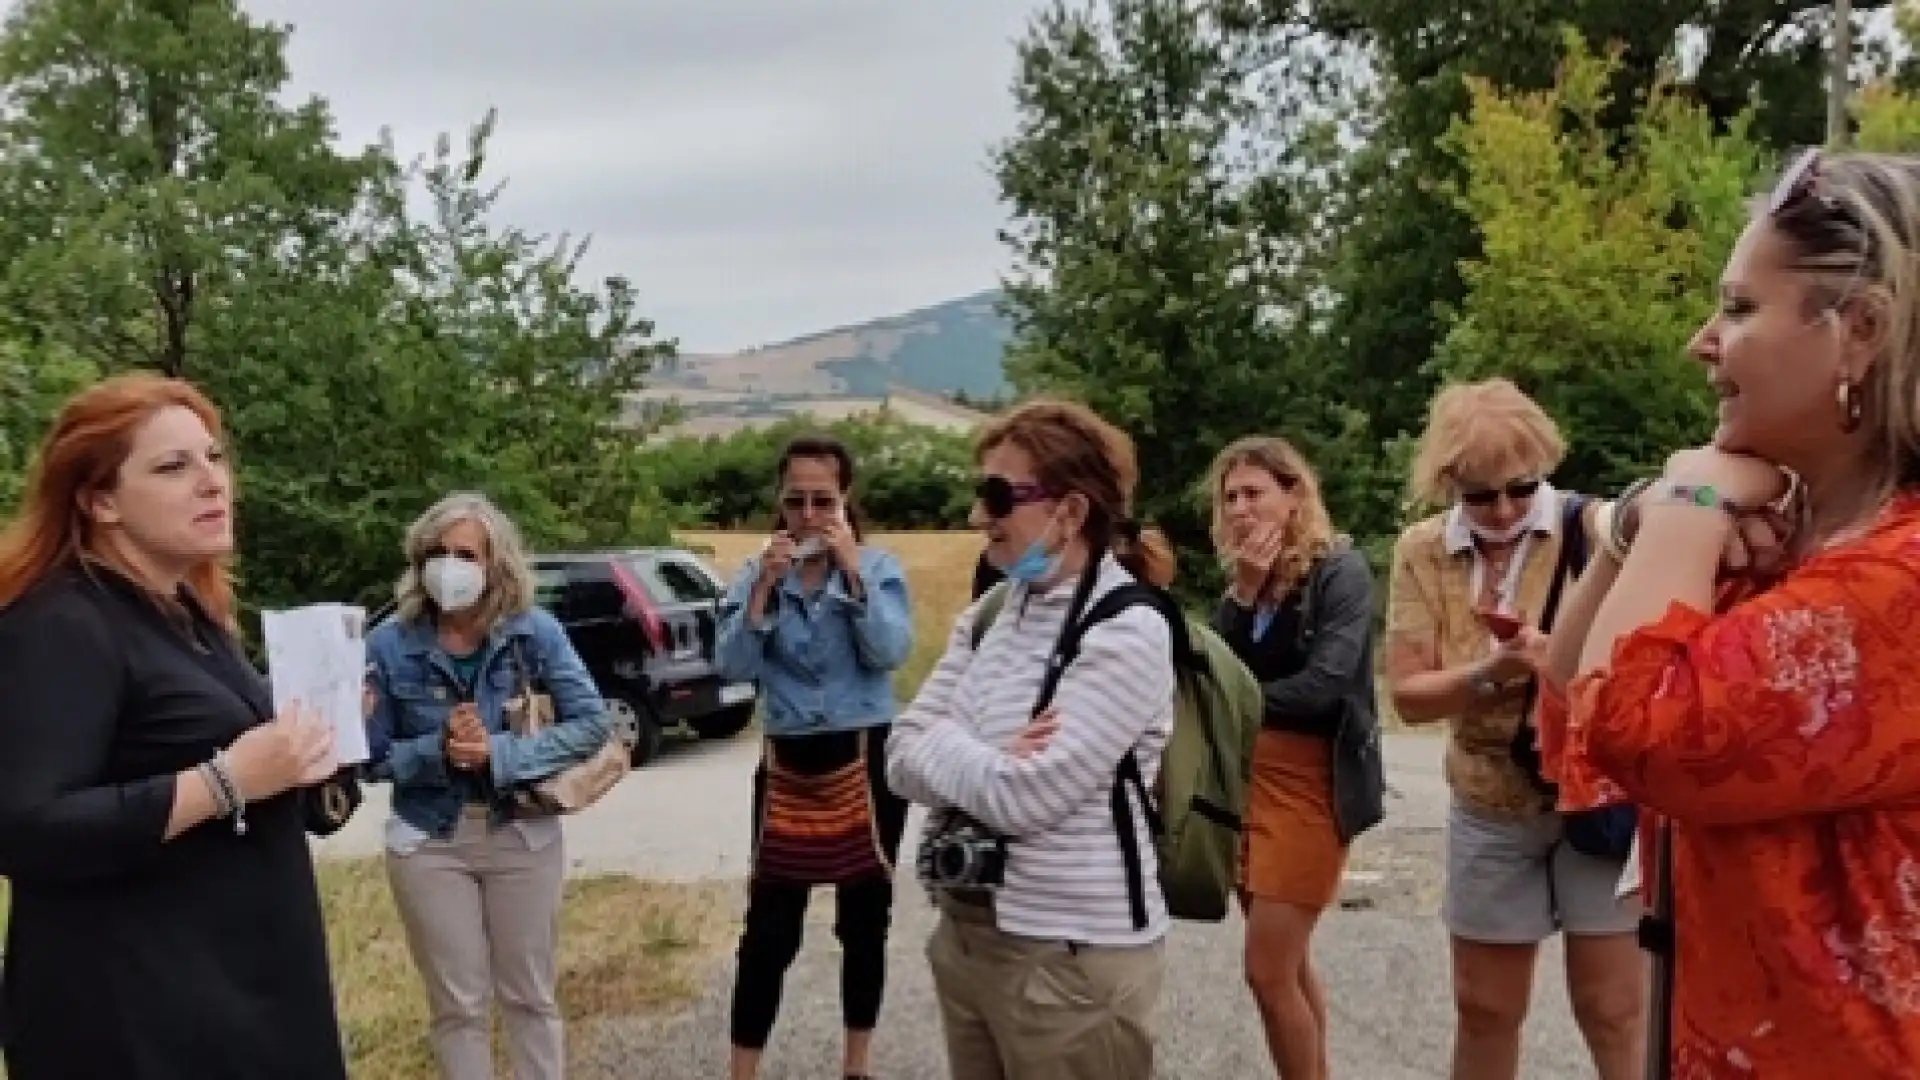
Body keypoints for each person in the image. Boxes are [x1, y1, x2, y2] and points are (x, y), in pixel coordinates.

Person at [1540, 149, 1920, 1077]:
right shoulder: (1794, 542)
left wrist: (1688, 503)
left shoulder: (1894, 584)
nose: (1702, 341)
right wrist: (1644, 521)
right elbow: (1566, 686)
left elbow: (1638, 730)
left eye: (1741, 308)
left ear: (1859, 331)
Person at [0, 373, 356, 1079]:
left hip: (243, 998)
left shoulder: (191, 613)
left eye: (215, 458)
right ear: (99, 500)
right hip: (137, 1018)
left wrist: (318, 751)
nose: (212, 481)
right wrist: (223, 782)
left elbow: (265, 790)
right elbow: (26, 826)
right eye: (173, 466)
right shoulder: (61, 623)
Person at [886, 398, 1177, 1080]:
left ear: (1070, 512)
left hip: (1071, 958)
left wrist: (953, 741)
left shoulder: (1128, 630)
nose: (976, 517)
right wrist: (987, 755)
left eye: (997, 496)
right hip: (970, 938)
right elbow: (899, 752)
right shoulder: (995, 612)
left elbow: (1027, 797)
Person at [1383, 377, 1644, 1080]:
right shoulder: (1423, 550)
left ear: (1545, 469)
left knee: (1615, 1008)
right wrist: (1488, 675)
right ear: (1448, 486)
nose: (1501, 510)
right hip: (1490, 801)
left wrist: (1556, 658)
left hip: (1594, 794)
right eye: (1478, 495)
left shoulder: (1594, 528)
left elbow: (1652, 639)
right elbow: (1408, 695)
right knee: (1486, 1007)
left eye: (1520, 489)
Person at [364, 491, 613, 1080]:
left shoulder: (533, 632)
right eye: (439, 553)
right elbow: (368, 758)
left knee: (529, 995)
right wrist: (437, 753)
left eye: (467, 554)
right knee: (458, 1005)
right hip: (429, 840)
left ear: (495, 564)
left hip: (521, 835)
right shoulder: (389, 643)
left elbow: (592, 722)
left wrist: (500, 753)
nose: (451, 567)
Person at [713, 434, 914, 1080]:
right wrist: (762, 594)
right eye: (795, 500)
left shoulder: (879, 567)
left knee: (864, 920)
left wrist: (851, 570)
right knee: (769, 927)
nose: (807, 514)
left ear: (845, 501)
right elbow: (733, 666)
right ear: (779, 501)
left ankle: (858, 1063)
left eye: (822, 500)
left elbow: (888, 653)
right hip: (789, 755)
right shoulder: (754, 575)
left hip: (864, 747)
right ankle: (743, 1069)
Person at [1207, 436, 1378, 1080]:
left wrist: (1239, 705)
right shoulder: (1248, 582)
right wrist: (1244, 594)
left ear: (1294, 494)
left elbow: (1326, 683)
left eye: (1255, 493)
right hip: (1248, 780)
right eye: (1231, 499)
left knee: (1266, 970)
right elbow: (1218, 666)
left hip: (1311, 784)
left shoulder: (1340, 570)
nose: (1242, 510)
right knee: (1291, 965)